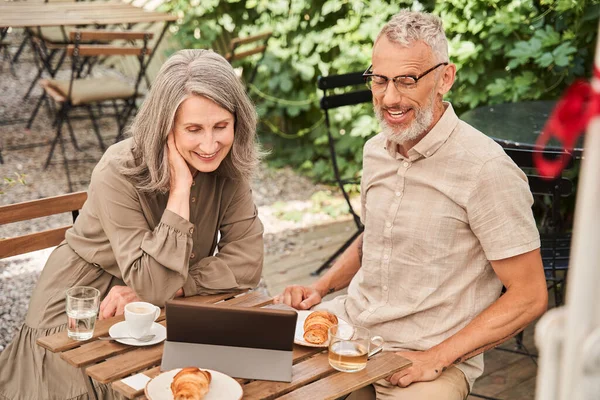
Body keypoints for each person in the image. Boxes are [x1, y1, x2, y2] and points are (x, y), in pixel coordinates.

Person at [275, 10, 548, 400]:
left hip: (427, 357)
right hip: (351, 332)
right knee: (255, 371)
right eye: (380, 80)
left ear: (445, 79)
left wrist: (435, 358)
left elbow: (530, 295)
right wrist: (321, 287)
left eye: (406, 81)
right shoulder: (375, 151)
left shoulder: (486, 170)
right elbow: (377, 235)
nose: (389, 98)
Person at [0, 49, 265, 400]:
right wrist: (180, 190)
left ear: (237, 121)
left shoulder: (229, 166)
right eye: (193, 129)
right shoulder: (118, 169)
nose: (209, 144)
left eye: (221, 126)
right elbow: (154, 283)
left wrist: (178, 285)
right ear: (165, 128)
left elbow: (248, 263)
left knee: (226, 381)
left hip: (165, 303)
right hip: (84, 307)